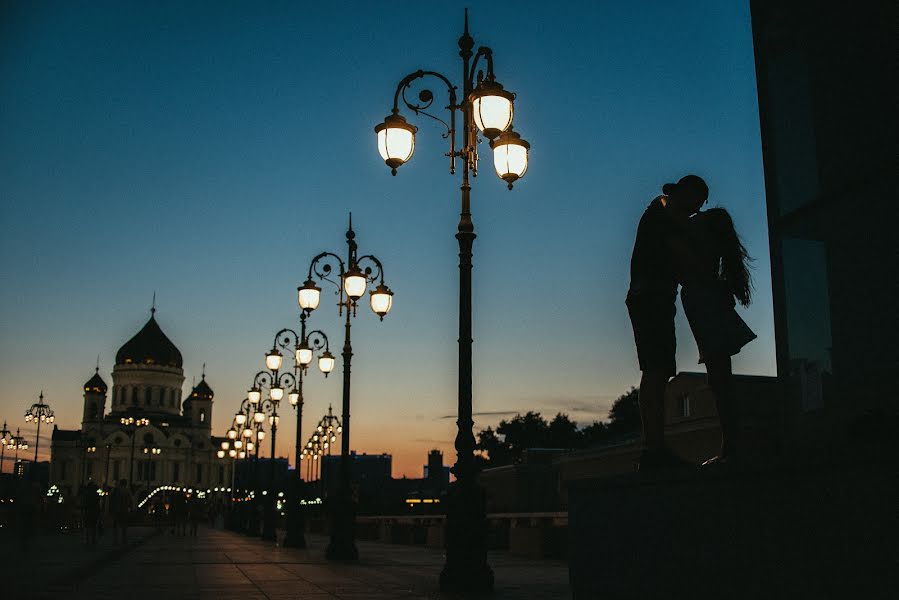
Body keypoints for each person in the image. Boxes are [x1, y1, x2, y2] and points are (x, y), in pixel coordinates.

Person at [626, 174, 707, 470]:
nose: (692, 213)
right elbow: (683, 257)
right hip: (651, 298)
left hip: (652, 298)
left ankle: (654, 446)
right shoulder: (663, 219)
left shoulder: (660, 216)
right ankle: (653, 448)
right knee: (656, 370)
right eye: (693, 205)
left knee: (657, 371)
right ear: (681, 195)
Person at [681, 207, 756, 466]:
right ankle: (731, 446)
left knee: (721, 380)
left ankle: (731, 448)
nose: (694, 216)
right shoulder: (708, 262)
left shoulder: (700, 263)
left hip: (706, 306)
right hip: (707, 304)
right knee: (720, 378)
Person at [109, 479, 132, 545]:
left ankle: (115, 540)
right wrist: (130, 508)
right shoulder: (127, 491)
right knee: (124, 525)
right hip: (124, 510)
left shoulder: (116, 490)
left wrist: (111, 508)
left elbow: (110, 498)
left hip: (116, 510)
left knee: (116, 525)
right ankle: (123, 539)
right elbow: (130, 500)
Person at [81, 480, 101, 545]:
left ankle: (87, 540)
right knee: (93, 527)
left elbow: (84, 503)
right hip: (94, 511)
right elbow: (98, 503)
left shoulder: (86, 494)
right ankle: (93, 540)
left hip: (88, 511)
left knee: (87, 526)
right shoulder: (96, 495)